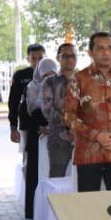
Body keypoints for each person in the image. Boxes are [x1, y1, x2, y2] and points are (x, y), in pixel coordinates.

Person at [64, 31, 111, 192]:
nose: (106, 53)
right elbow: (69, 116)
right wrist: (96, 135)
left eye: (110, 48)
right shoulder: (79, 79)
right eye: (100, 48)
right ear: (90, 52)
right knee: (90, 203)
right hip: (89, 154)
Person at [9, 43, 46, 217]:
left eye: (41, 58)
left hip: (50, 131)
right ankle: (31, 209)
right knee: (29, 166)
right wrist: (13, 126)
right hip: (28, 129)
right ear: (28, 59)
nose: (37, 62)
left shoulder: (52, 75)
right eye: (34, 58)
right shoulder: (21, 76)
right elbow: (13, 101)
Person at [42, 43, 77, 178]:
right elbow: (48, 110)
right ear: (58, 58)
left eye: (73, 56)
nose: (70, 59)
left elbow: (90, 108)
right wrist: (70, 125)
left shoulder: (84, 80)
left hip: (83, 139)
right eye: (65, 56)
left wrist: (78, 128)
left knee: (83, 180)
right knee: (57, 178)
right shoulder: (50, 82)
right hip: (59, 138)